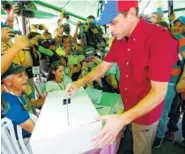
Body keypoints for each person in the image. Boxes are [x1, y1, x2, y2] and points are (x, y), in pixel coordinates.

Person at [66, 0, 178, 154]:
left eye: (113, 23)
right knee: (129, 141)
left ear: (131, 14)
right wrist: (79, 82)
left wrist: (122, 119)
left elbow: (159, 93)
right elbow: (103, 66)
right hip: (126, 104)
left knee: (141, 149)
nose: (110, 30)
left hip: (145, 112)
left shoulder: (160, 39)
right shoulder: (119, 39)